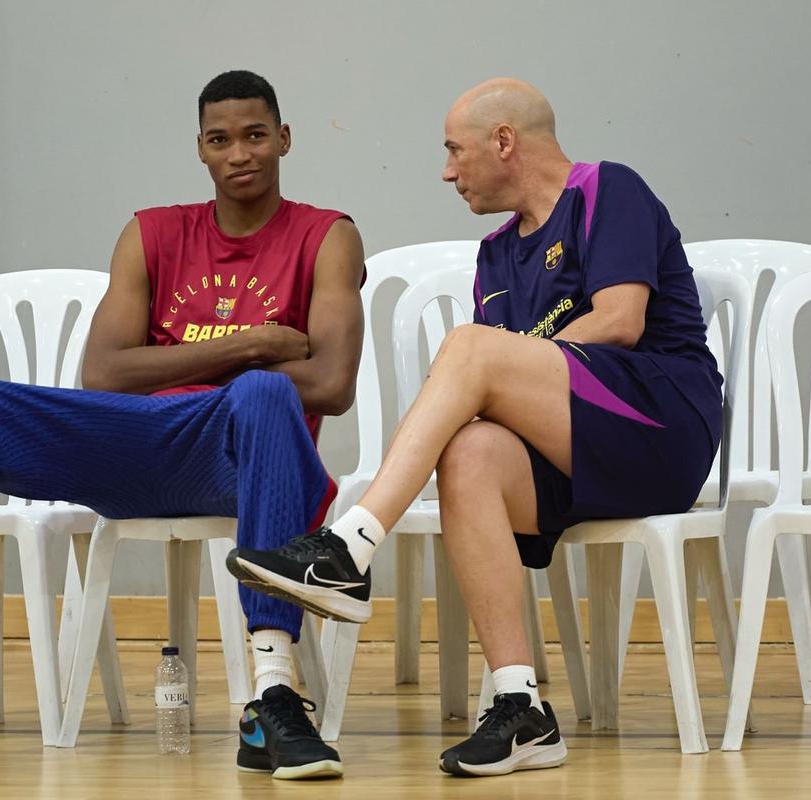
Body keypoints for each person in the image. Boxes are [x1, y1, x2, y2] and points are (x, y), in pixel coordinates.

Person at [0, 70, 365, 781]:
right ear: (200, 149)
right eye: (220, 140)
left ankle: (273, 698)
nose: (240, 154)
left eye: (255, 136)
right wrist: (252, 342)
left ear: (283, 139)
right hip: (130, 441)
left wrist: (223, 371)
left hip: (236, 452)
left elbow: (331, 385)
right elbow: (103, 374)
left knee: (263, 396)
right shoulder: (153, 232)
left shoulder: (326, 236)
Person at [228, 78, 723, 778]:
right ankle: (521, 705)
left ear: (504, 142)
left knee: (470, 349)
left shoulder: (607, 189)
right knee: (468, 452)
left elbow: (620, 321)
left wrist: (497, 366)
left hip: (661, 428)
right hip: (577, 450)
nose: (447, 171)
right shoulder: (495, 256)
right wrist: (491, 380)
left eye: (455, 152)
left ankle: (350, 547)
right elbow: (493, 395)